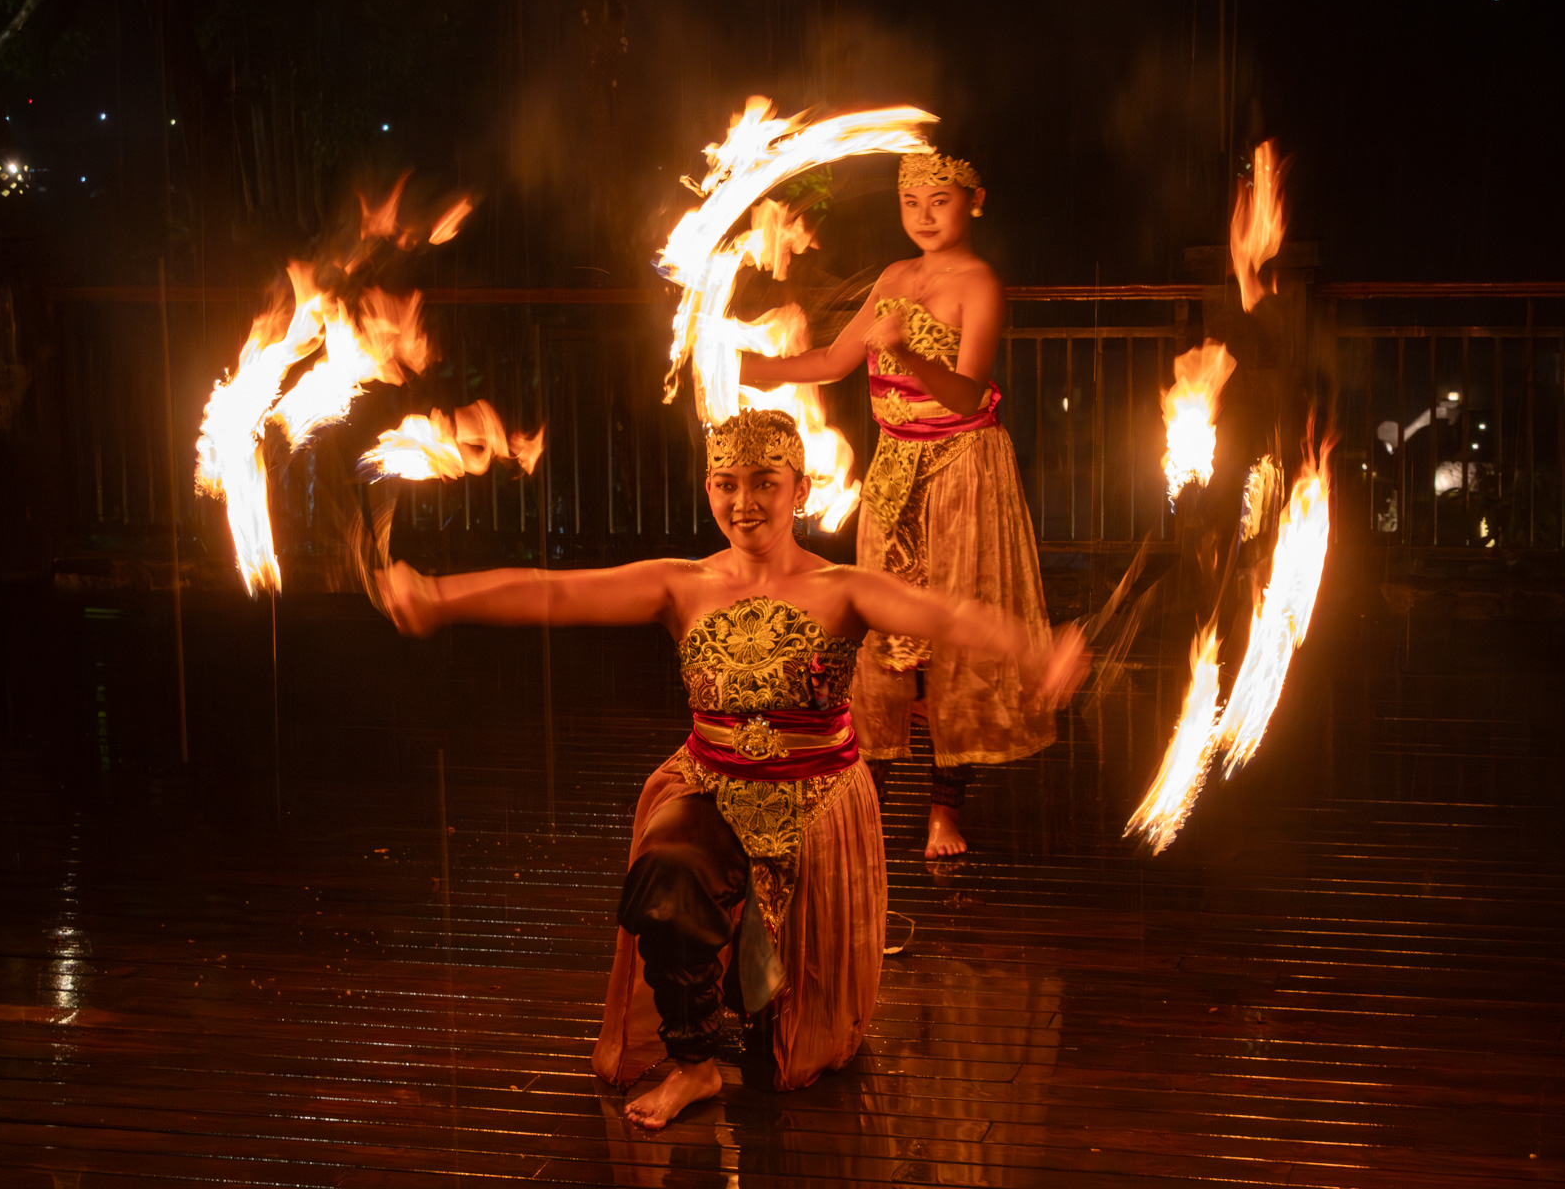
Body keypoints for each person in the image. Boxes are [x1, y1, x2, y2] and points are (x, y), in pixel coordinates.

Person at [379, 408, 1080, 1129]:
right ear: (708, 488)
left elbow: (948, 617)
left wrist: (1034, 651)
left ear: (800, 490)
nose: (744, 502)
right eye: (726, 483)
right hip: (711, 782)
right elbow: (554, 591)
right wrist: (441, 597)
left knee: (780, 1062)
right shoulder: (682, 584)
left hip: (817, 798)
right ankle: (695, 1065)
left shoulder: (843, 587)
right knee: (668, 869)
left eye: (764, 482)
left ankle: (763, 1000)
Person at [742, 151, 1055, 858]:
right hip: (894, 469)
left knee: (954, 639)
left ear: (973, 200)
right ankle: (867, 803)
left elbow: (967, 395)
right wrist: (749, 368)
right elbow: (832, 361)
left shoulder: (980, 284)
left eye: (939, 200)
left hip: (963, 470)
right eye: (911, 202)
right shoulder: (892, 279)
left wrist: (908, 354)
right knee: (880, 636)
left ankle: (945, 812)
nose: (924, 215)